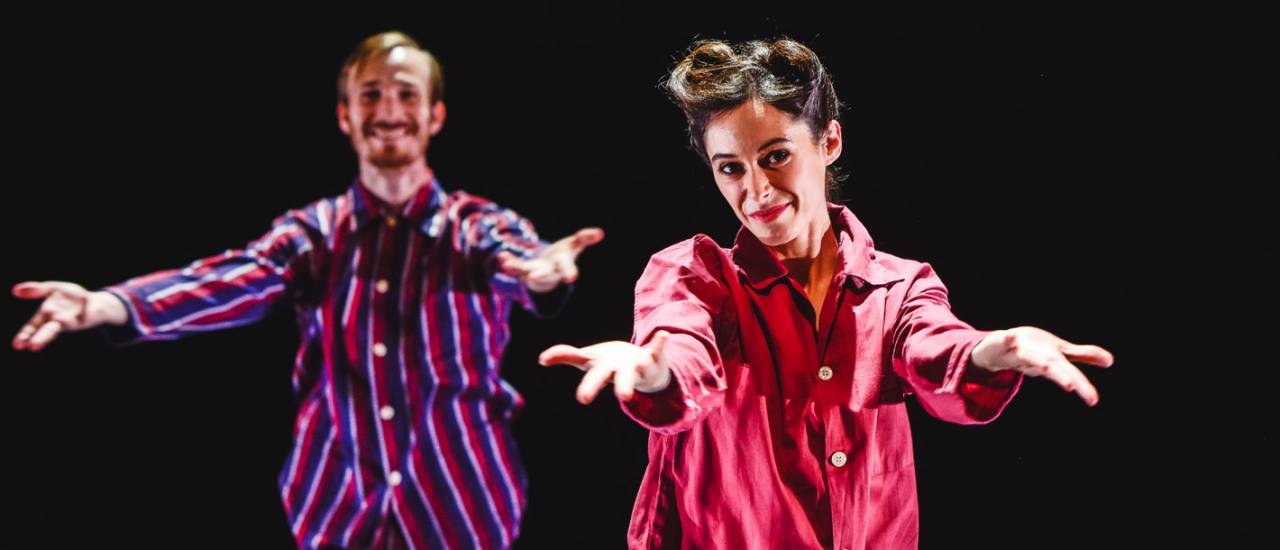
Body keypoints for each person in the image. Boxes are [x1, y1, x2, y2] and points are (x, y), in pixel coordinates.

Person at [10, 31, 601, 550]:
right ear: (344, 115)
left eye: (406, 93)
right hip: (338, 505)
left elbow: (518, 262)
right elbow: (224, 280)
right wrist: (106, 304)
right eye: (370, 94)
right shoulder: (311, 234)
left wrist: (542, 270)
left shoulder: (475, 225)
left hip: (462, 500)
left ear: (435, 114)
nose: (388, 109)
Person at [538, 38, 1114, 549]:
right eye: (730, 169)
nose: (757, 189)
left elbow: (938, 349)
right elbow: (681, 346)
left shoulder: (899, 285)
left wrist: (993, 351)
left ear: (829, 140)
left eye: (776, 156)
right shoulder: (696, 274)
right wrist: (651, 369)